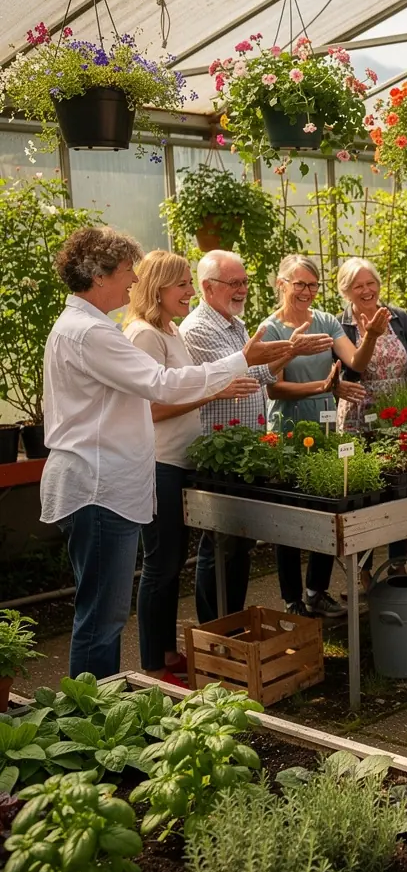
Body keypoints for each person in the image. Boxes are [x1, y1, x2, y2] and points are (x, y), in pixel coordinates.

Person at [39, 227, 297, 679]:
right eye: (125, 272)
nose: (133, 280)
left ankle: (92, 713)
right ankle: (89, 719)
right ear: (99, 277)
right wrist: (243, 358)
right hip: (99, 488)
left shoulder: (86, 327)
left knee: (102, 615)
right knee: (102, 620)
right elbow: (161, 385)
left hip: (100, 483)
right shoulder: (91, 334)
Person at [123, 251, 260, 685]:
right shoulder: (145, 336)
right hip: (159, 461)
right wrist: (214, 395)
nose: (189, 292)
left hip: (182, 459)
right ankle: (153, 668)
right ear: (158, 288)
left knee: (172, 563)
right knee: (160, 567)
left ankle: (168, 651)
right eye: (182, 284)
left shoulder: (171, 330)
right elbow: (150, 410)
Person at [179, 250, 333, 623]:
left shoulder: (237, 325)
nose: (242, 289)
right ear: (207, 287)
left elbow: (261, 376)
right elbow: (231, 378)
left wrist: (287, 355)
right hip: (220, 450)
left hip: (245, 448)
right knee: (219, 544)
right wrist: (289, 350)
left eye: (244, 282)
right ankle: (215, 625)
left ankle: (233, 620)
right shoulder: (198, 328)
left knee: (239, 543)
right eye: (234, 283)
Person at [260, 254, 390, 617]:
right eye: (299, 283)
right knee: (289, 519)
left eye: (312, 285)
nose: (306, 291)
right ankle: (292, 600)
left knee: (327, 509)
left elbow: (357, 364)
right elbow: (273, 388)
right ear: (281, 283)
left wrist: (372, 336)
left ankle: (316, 590)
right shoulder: (272, 329)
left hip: (326, 428)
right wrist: (325, 385)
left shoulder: (326, 321)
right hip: (288, 431)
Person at [336, 257, 407, 589]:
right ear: (346, 291)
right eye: (358, 286)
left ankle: (396, 563)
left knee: (399, 486)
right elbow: (348, 373)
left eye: (371, 283)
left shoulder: (398, 318)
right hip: (358, 413)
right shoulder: (340, 325)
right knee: (365, 490)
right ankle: (364, 569)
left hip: (395, 413)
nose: (367, 290)